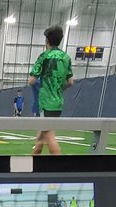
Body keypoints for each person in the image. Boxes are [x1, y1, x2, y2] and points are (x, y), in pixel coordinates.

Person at [29, 26, 74, 156]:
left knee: (49, 137)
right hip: (58, 102)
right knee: (41, 138)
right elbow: (70, 82)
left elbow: (32, 80)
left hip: (46, 101)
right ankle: (28, 166)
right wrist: (58, 87)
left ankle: (58, 169)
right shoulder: (66, 57)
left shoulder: (44, 56)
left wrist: (43, 85)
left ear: (47, 40)